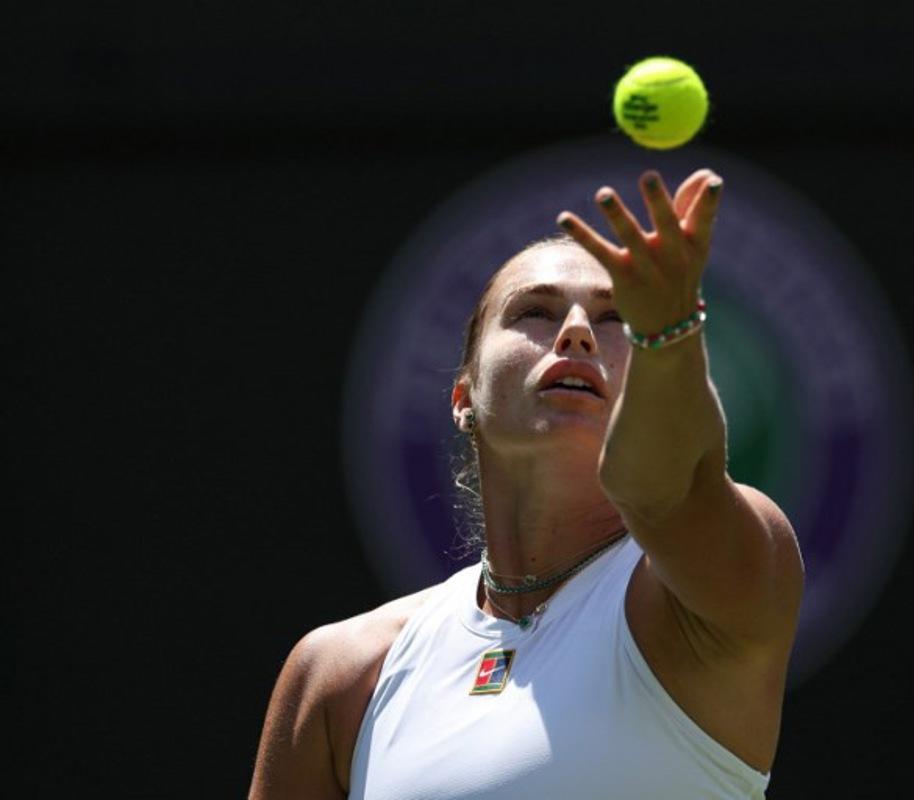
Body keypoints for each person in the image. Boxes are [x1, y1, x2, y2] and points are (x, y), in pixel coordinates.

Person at [248, 168, 805, 799]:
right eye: (536, 312)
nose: (575, 332)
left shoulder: (704, 595)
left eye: (618, 317)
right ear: (464, 395)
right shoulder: (343, 674)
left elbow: (663, 490)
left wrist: (669, 334)